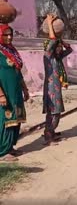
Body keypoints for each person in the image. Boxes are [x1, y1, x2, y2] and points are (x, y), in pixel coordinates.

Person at [0, 24, 29, 161]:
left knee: (16, 118)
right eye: (5, 34)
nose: (9, 37)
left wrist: (25, 88)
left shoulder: (11, 50)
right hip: (5, 91)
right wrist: (0, 94)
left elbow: (17, 71)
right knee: (6, 119)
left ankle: (10, 146)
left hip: (15, 90)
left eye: (10, 34)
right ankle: (3, 150)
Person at [42, 14, 72, 146]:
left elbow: (70, 49)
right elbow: (52, 40)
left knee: (56, 111)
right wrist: (50, 23)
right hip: (51, 88)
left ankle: (51, 132)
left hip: (56, 86)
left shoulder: (57, 58)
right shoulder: (48, 56)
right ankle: (48, 135)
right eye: (57, 48)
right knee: (54, 111)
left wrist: (62, 41)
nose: (59, 49)